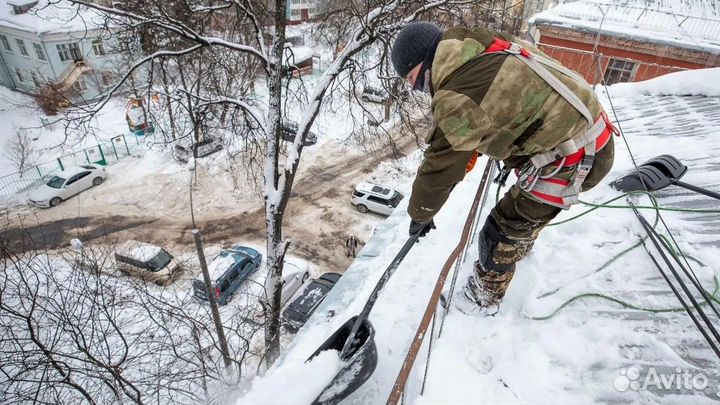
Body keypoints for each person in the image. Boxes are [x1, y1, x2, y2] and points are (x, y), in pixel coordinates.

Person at [392, 22, 616, 316]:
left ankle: (481, 300)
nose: (413, 87)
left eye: (411, 78)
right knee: (520, 216)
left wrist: (420, 214)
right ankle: (519, 245)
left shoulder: (456, 96)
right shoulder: (474, 40)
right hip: (589, 130)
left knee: (500, 230)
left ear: (424, 64)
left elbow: (440, 167)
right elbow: (500, 102)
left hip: (576, 157)